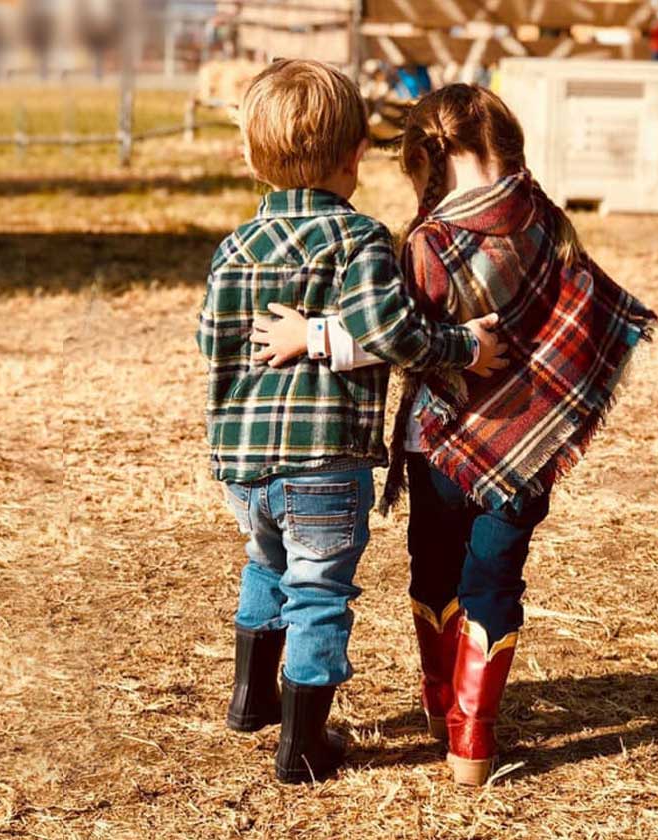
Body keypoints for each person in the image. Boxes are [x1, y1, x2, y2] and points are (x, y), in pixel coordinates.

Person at [251, 84, 658, 785]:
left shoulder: (430, 241)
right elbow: (583, 323)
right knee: (495, 582)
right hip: (529, 447)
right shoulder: (548, 222)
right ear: (506, 139)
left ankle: (441, 708)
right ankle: (473, 741)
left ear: (421, 156)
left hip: (437, 446)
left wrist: (310, 336)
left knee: (435, 574)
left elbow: (391, 338)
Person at [198, 60, 507, 785]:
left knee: (266, 563)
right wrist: (466, 346)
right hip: (321, 465)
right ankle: (304, 744)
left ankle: (251, 699)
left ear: (249, 157)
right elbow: (390, 329)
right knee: (319, 592)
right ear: (354, 157)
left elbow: (212, 342)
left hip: (242, 465)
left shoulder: (233, 247)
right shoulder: (358, 237)